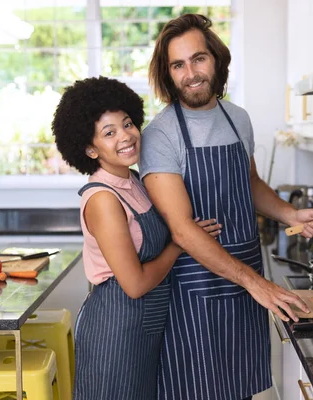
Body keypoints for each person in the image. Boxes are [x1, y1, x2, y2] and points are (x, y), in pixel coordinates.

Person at [140, 14, 313, 400]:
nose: (190, 73)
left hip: (244, 292)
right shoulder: (160, 136)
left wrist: (290, 214)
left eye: (198, 59)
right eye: (178, 65)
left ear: (216, 59)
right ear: (168, 73)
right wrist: (257, 284)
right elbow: (181, 229)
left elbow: (250, 183)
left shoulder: (237, 119)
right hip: (194, 294)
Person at [52, 76, 221, 400]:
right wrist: (180, 243)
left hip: (145, 328)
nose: (126, 136)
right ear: (89, 148)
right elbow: (135, 284)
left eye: (127, 124)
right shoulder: (103, 198)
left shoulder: (134, 181)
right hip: (114, 330)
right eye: (109, 132)